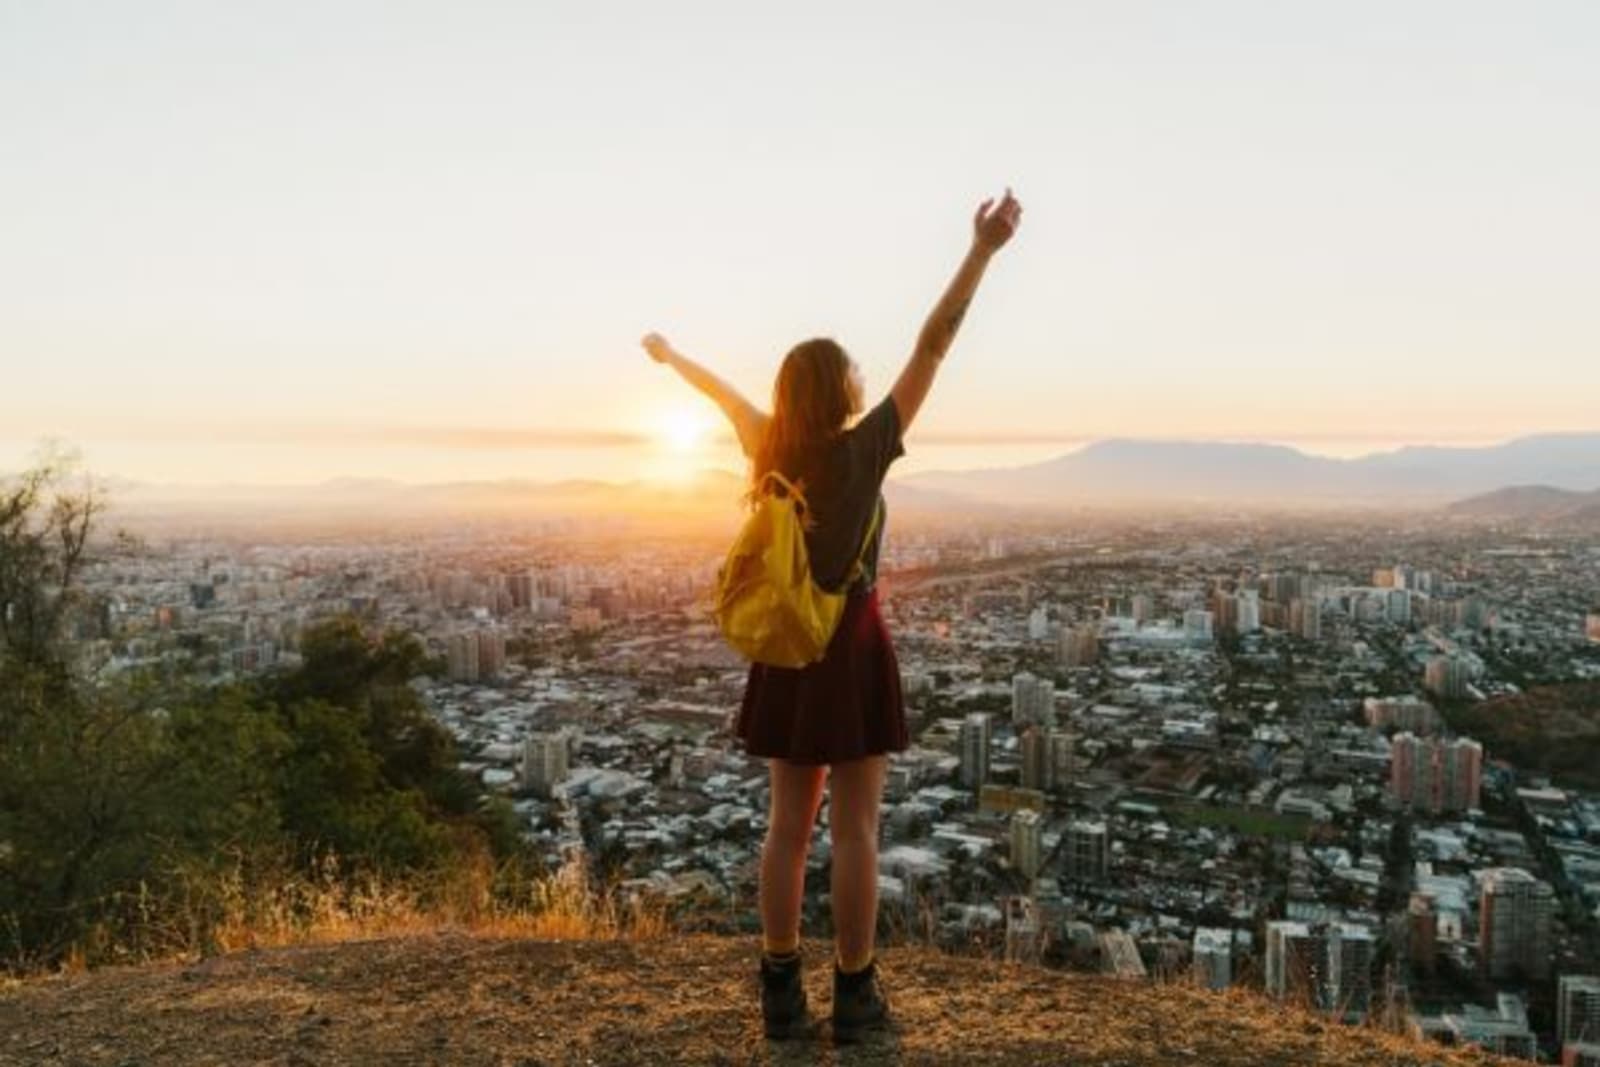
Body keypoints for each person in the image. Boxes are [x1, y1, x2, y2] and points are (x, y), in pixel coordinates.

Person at [641, 188, 1022, 1042]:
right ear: (843, 389)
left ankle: (780, 990)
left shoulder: (768, 444)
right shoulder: (866, 449)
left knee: (786, 826)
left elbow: (721, 395)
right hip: (850, 645)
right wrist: (981, 253)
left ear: (788, 394)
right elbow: (935, 341)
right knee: (856, 830)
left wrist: (671, 359)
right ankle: (855, 995)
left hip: (785, 651)